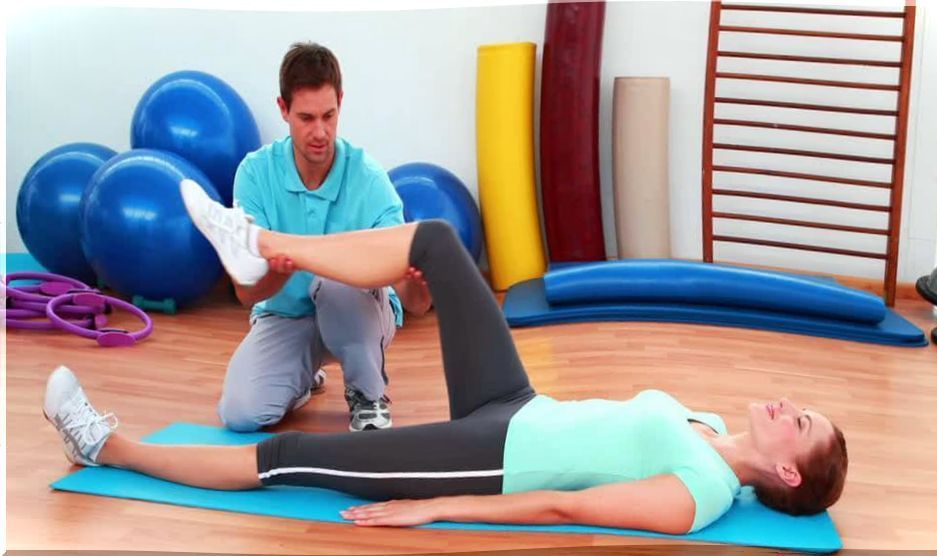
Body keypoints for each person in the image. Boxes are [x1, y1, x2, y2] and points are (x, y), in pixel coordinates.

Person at [41, 183, 848, 533]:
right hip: (516, 405)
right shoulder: (703, 424)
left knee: (292, 457)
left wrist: (437, 506)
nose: (787, 405)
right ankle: (259, 248)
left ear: (785, 474)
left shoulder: (700, 495)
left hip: (490, 460)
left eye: (799, 423)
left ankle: (102, 443)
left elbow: (564, 507)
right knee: (435, 241)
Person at [220, 41, 431, 433]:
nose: (320, 132)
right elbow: (245, 294)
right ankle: (299, 381)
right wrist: (279, 272)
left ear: (341, 103)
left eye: (329, 116)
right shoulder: (254, 174)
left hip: (357, 312)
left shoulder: (368, 177)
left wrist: (420, 287)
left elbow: (416, 305)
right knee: (240, 413)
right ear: (283, 110)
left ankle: (368, 396)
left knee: (336, 277)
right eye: (306, 118)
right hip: (285, 317)